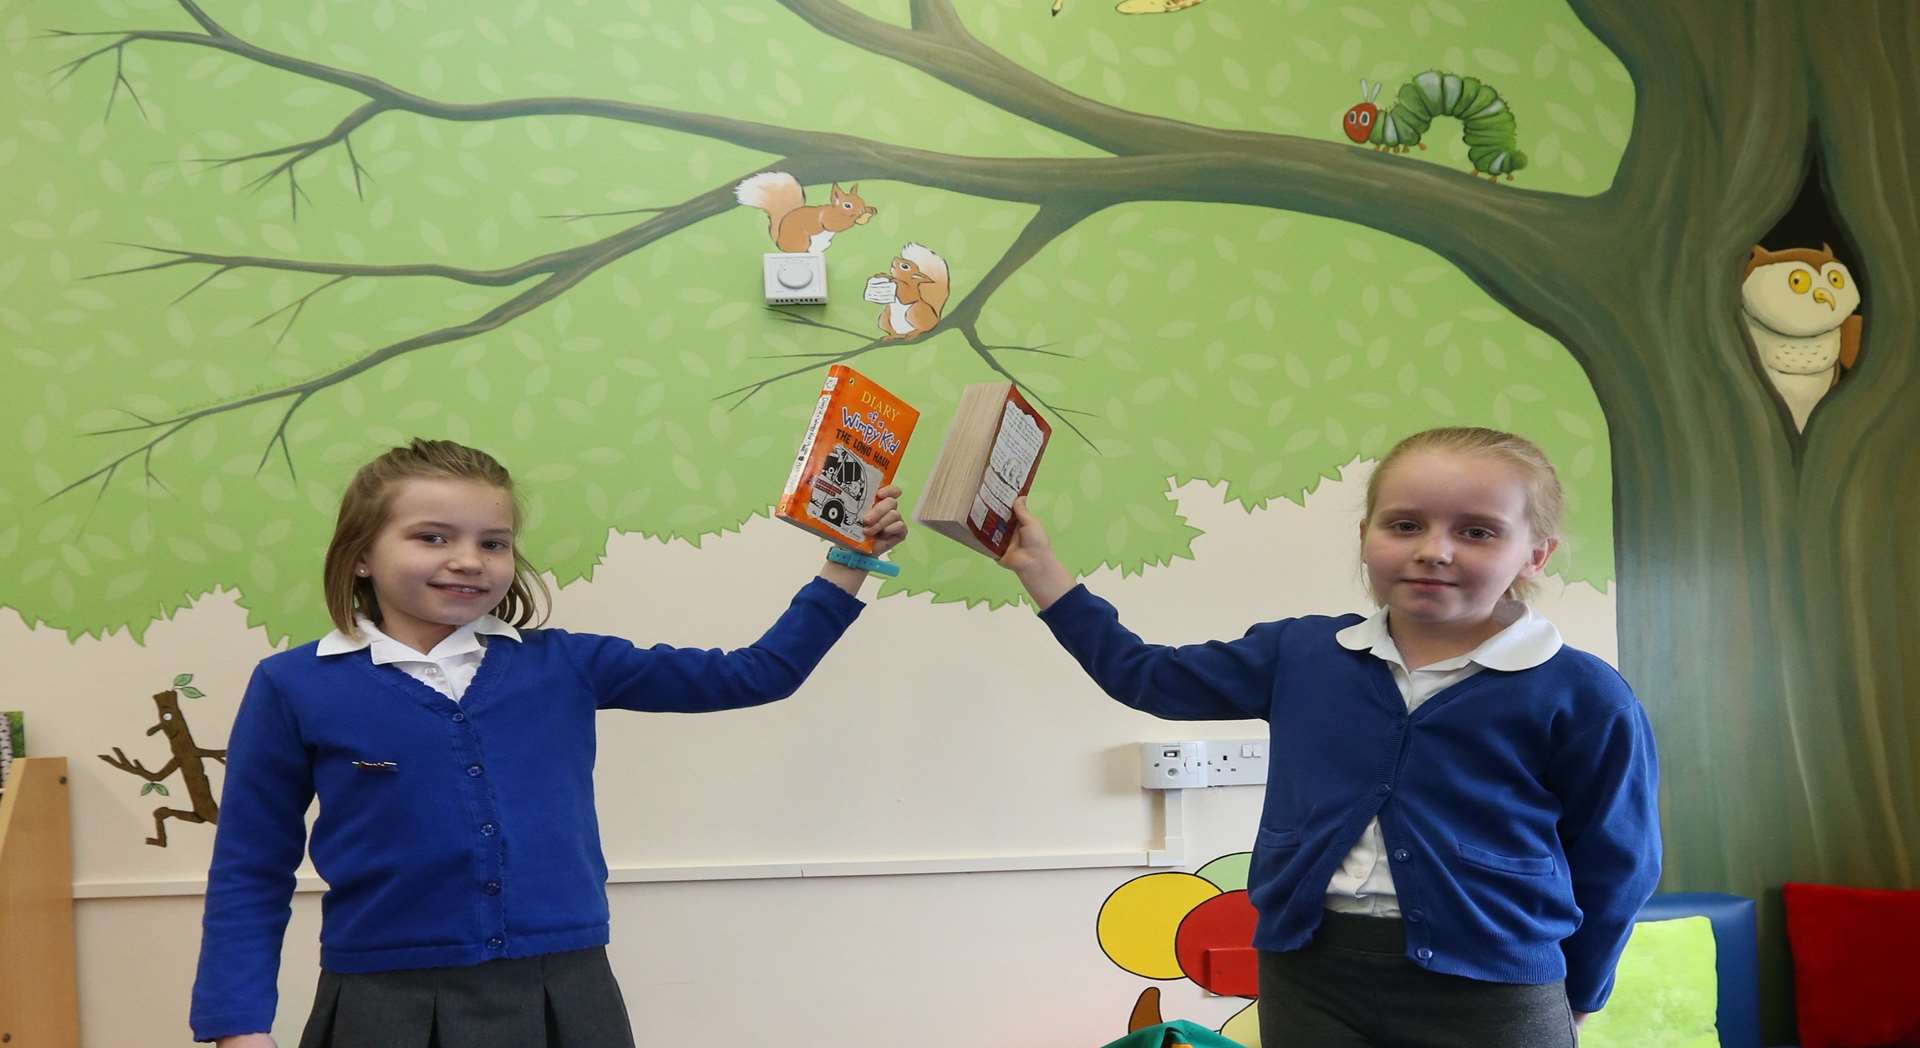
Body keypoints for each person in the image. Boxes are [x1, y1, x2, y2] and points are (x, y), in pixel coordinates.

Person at [190, 438, 907, 1047]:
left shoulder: (565, 662)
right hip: (383, 1003)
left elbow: (758, 673)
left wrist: (849, 564)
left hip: (565, 992)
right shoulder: (294, 685)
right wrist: (238, 1022)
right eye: (432, 537)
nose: (469, 560)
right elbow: (252, 868)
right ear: (360, 557)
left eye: (492, 543)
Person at [999, 426, 1660, 1047]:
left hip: (1494, 987)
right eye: (1405, 525)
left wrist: (1581, 992)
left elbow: (1617, 862)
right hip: (1310, 974)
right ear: (1366, 533)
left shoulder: (1584, 695)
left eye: (1478, 531)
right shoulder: (1303, 653)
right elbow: (1148, 679)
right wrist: (1042, 572)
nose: (1434, 549)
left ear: (1534, 552)